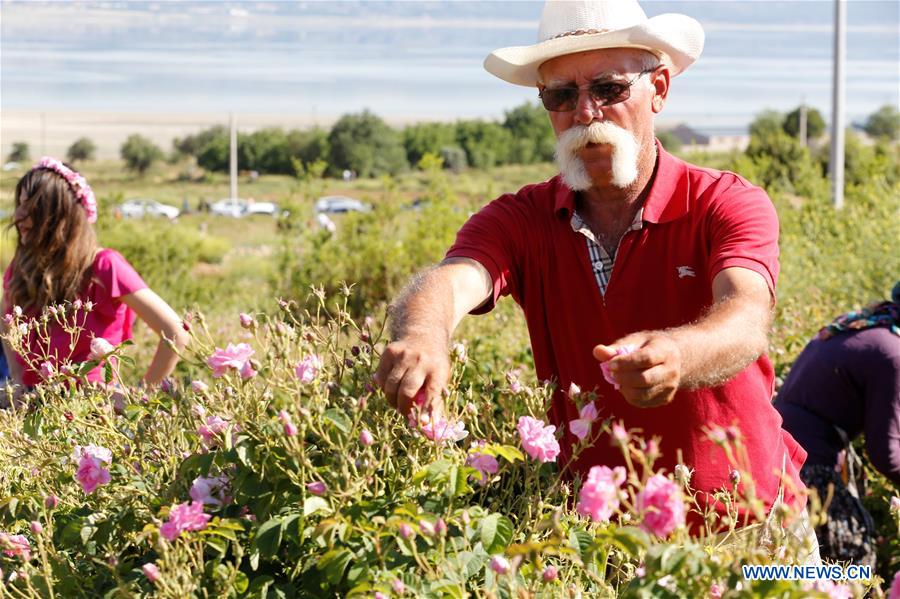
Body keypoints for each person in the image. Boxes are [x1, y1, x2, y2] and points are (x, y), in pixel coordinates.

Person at [375, 0, 814, 545]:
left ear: (659, 89)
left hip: (752, 526)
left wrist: (679, 354)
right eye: (561, 95)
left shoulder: (724, 202)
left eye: (608, 89)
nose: (585, 113)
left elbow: (745, 317)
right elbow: (451, 280)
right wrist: (422, 336)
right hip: (604, 545)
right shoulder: (522, 219)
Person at [0, 157, 189, 407]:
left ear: (60, 213)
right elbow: (6, 322)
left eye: (32, 205)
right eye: (20, 204)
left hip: (90, 412)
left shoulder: (103, 265)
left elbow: (175, 332)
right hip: (31, 408)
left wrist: (139, 399)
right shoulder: (22, 267)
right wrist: (16, 376)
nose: (20, 215)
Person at [775, 284, 900, 568]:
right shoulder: (892, 353)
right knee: (852, 557)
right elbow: (887, 454)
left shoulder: (862, 325)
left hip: (780, 453)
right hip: (807, 465)